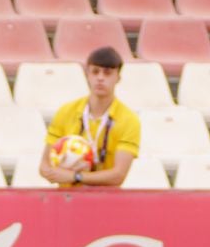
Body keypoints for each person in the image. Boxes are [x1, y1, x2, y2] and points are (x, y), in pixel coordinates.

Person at [37, 46, 141, 189]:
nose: (100, 78)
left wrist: (76, 176)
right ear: (87, 74)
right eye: (95, 72)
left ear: (118, 77)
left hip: (106, 201)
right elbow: (44, 165)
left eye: (107, 73)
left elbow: (119, 175)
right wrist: (55, 173)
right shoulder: (66, 111)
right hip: (67, 198)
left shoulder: (129, 119)